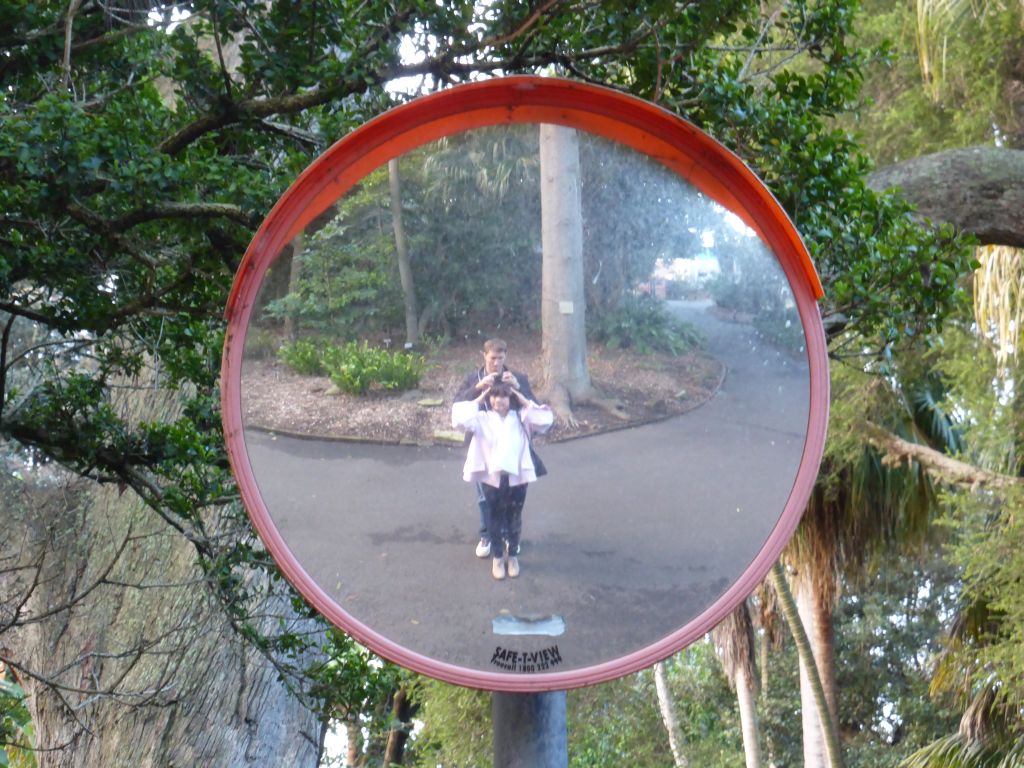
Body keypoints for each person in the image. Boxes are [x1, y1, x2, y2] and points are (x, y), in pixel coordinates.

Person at [454, 338, 545, 558]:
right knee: (485, 497)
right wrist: (478, 388)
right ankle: (487, 534)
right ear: (483, 356)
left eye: (500, 358)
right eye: (492, 358)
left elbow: (533, 406)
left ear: (506, 357)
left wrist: (518, 387)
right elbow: (457, 404)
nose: (496, 363)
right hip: (483, 448)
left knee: (511, 495)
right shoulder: (472, 379)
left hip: (512, 448)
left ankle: (507, 534)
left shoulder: (518, 378)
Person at [452, 382, 553, 580]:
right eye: (495, 396)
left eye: (504, 396)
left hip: (516, 478)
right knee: (494, 518)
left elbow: (545, 420)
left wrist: (520, 395)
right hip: (492, 479)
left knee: (514, 517)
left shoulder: (521, 417)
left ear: (511, 399)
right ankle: (498, 557)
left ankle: (513, 555)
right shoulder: (481, 418)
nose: (499, 400)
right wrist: (480, 396)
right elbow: (458, 418)